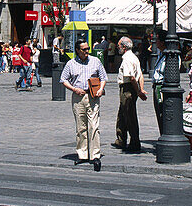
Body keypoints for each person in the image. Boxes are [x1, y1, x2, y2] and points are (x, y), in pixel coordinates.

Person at [60, 37, 108, 171]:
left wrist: (100, 89)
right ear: (77, 50)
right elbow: (63, 80)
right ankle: (82, 154)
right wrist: (74, 89)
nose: (87, 51)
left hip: (92, 96)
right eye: (84, 49)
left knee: (93, 125)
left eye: (88, 48)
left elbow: (103, 77)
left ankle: (94, 155)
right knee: (81, 126)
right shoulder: (70, 64)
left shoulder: (95, 61)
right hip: (78, 97)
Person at [113, 37, 146, 153]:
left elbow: (132, 77)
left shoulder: (127, 59)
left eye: (119, 46)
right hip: (130, 88)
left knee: (129, 115)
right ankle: (121, 139)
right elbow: (140, 75)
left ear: (124, 47)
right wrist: (141, 89)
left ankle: (134, 142)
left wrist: (138, 91)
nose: (118, 48)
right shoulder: (134, 57)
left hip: (127, 89)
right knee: (122, 114)